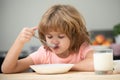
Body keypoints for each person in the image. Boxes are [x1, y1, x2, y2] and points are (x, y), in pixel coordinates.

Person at [1, 4, 94, 73]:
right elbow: (7, 69)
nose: (54, 41)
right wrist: (19, 42)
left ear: (74, 35)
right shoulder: (44, 53)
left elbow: (95, 63)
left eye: (61, 36)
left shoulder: (82, 48)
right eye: (49, 36)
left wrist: (66, 67)